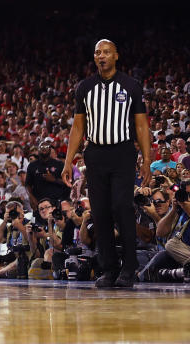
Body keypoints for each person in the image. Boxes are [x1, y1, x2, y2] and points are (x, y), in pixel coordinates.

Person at [61, 39, 151, 288]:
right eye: (98, 52)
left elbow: (141, 125)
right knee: (99, 213)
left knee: (122, 206)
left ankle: (130, 267)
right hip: (95, 154)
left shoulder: (131, 85)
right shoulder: (85, 87)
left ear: (116, 56)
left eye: (107, 52)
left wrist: (147, 159)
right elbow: (78, 127)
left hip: (123, 152)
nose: (102, 56)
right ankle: (109, 269)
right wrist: (68, 162)